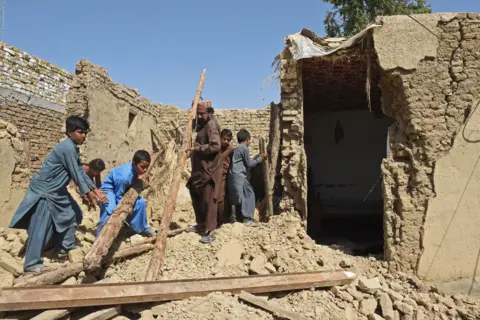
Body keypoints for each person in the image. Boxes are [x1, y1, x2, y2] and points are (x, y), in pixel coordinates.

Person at [9, 116, 108, 273]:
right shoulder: (67, 148)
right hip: (45, 191)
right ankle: (31, 264)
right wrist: (90, 195)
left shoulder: (73, 148)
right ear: (69, 132)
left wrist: (95, 190)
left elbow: (81, 172)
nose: (84, 136)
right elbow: (76, 174)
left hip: (58, 191)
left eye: (85, 133)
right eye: (80, 132)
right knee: (40, 226)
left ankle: (63, 248)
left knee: (74, 214)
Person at [97, 150, 157, 237]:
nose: (145, 170)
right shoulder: (124, 177)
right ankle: (100, 235)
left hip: (122, 190)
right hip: (110, 190)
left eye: (147, 167)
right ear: (133, 164)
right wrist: (126, 206)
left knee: (141, 203)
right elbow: (118, 194)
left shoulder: (135, 170)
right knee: (111, 209)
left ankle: (140, 228)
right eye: (142, 167)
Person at [186, 101, 222, 244]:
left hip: (209, 169)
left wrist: (197, 149)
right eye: (198, 113)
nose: (200, 116)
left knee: (209, 199)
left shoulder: (211, 124)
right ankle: (201, 224)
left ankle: (211, 230)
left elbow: (215, 146)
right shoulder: (201, 124)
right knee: (194, 191)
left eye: (202, 113)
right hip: (199, 169)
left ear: (209, 113)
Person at [228, 129, 267, 225]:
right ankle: (248, 218)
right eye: (249, 140)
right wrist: (260, 159)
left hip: (233, 176)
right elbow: (249, 164)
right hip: (240, 176)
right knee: (249, 194)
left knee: (240, 197)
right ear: (247, 139)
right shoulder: (244, 148)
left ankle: (239, 218)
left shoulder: (237, 148)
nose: (249, 142)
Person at [215, 128, 235, 224]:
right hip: (214, 176)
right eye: (224, 139)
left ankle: (224, 220)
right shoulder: (216, 147)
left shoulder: (231, 150)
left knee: (222, 198)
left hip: (225, 176)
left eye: (228, 139)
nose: (226, 141)